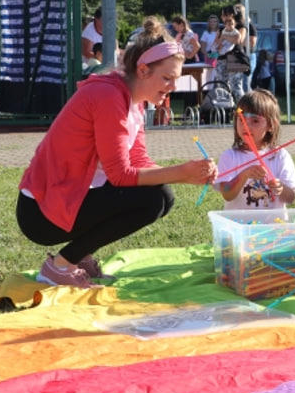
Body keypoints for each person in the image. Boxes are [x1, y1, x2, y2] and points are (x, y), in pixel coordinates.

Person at [16, 19, 217, 288]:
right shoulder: (109, 97)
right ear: (143, 70)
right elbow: (121, 175)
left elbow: (139, 160)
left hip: (65, 200)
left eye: (175, 80)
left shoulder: (133, 99)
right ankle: (60, 266)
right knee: (154, 199)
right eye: (167, 78)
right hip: (41, 212)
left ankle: (78, 256)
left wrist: (189, 173)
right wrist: (183, 173)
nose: (172, 87)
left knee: (162, 197)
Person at [216, 89, 295, 210]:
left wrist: (281, 188)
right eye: (241, 119)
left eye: (255, 121)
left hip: (273, 226)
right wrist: (244, 175)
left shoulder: (280, 156)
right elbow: (227, 194)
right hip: (240, 226)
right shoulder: (229, 157)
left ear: (271, 125)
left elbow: (291, 197)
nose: (246, 126)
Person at [216, 7, 246, 101]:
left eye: (224, 15)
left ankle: (242, 111)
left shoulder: (240, 27)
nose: (222, 17)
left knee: (236, 87)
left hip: (235, 58)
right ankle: (227, 109)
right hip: (222, 58)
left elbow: (238, 40)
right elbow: (217, 42)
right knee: (222, 86)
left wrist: (225, 36)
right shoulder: (221, 28)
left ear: (231, 15)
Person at [233, 3, 258, 94]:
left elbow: (252, 43)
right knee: (237, 84)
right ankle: (242, 105)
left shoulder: (249, 25)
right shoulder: (234, 26)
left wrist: (238, 41)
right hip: (237, 56)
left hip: (248, 55)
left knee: (245, 83)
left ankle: (250, 104)